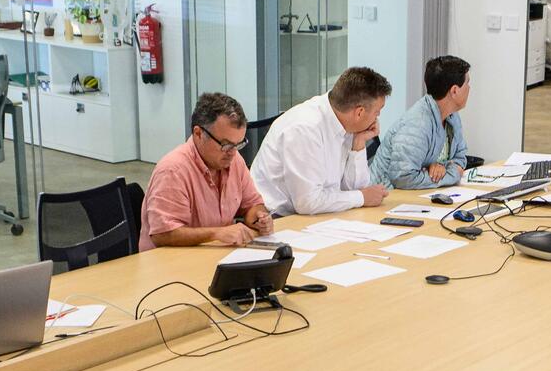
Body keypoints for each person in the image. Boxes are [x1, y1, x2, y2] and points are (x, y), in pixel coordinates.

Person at [140, 91, 274, 250]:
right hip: (170, 265)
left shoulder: (234, 160)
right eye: (225, 145)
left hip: (214, 256)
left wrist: (259, 218)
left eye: (238, 144)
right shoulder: (173, 170)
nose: (232, 152)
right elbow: (163, 234)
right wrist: (216, 234)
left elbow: (252, 204)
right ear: (198, 134)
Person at [251, 67, 392, 217]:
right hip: (274, 219)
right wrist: (362, 197)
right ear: (359, 112)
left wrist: (359, 142)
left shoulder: (345, 121)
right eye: (377, 112)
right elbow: (307, 203)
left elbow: (355, 189)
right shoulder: (305, 129)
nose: (377, 119)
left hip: (316, 215)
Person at [369, 56, 472, 189]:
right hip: (387, 199)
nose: (469, 88)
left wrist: (441, 168)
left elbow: (460, 158)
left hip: (420, 197)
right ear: (454, 91)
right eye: (467, 83)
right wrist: (449, 175)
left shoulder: (452, 116)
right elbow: (403, 178)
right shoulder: (417, 125)